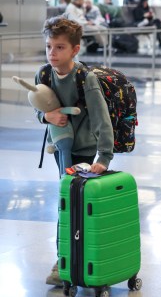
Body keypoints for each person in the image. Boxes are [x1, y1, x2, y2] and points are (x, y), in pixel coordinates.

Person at [35, 17, 113, 286]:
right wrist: (48, 117)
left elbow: (103, 120)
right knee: (67, 202)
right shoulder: (44, 74)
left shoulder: (85, 78)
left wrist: (103, 157)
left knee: (68, 202)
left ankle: (64, 260)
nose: (52, 53)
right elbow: (39, 109)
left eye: (59, 47)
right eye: (48, 47)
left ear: (75, 49)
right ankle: (67, 257)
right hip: (59, 147)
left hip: (84, 151)